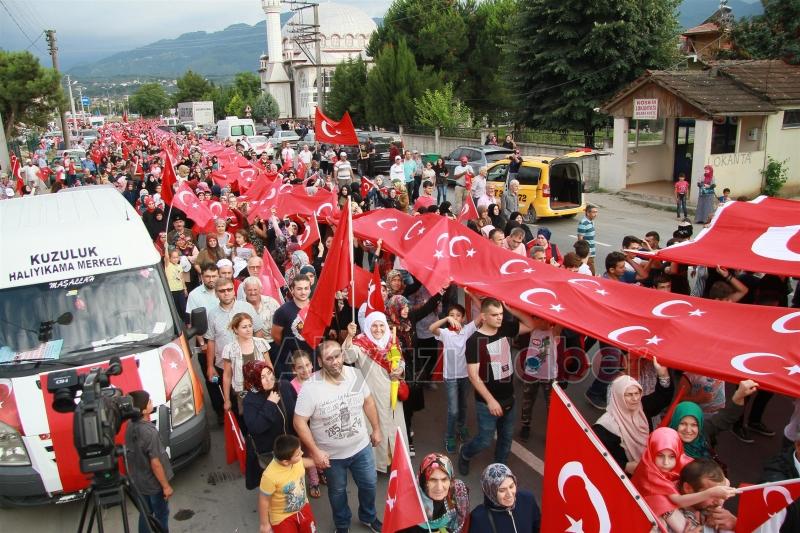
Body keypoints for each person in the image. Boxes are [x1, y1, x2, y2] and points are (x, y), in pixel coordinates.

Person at [293, 340, 383, 533]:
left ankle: (368, 516)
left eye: (338, 355)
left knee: (369, 484)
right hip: (331, 456)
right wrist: (315, 452)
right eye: (329, 358)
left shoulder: (355, 374)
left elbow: (368, 402)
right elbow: (299, 422)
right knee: (337, 492)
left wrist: (376, 429)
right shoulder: (310, 387)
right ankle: (342, 525)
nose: (335, 361)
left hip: (361, 447)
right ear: (320, 361)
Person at [458, 297, 535, 475]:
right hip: (487, 403)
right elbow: (473, 376)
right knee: (485, 439)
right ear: (483, 317)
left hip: (509, 397)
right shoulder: (474, 341)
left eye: (501, 314)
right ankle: (465, 453)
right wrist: (491, 401)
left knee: (506, 438)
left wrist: (511, 308)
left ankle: (499, 470)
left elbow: (530, 325)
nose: (500, 318)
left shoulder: (505, 329)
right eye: (495, 315)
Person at [342, 312, 407, 474]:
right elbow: (348, 357)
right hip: (372, 396)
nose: (378, 329)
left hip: (392, 393)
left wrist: (399, 370)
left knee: (394, 426)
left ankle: (397, 459)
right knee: (374, 427)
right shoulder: (361, 343)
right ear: (368, 326)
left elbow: (401, 361)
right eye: (374, 325)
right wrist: (350, 336)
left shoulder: (393, 341)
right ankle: (377, 462)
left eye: (381, 325)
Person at [205, 278, 267, 424]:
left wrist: (257, 358)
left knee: (257, 402)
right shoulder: (212, 314)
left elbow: (258, 331)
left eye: (229, 290)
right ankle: (243, 436)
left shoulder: (246, 307)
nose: (226, 293)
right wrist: (210, 366)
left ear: (234, 290)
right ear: (216, 294)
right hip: (225, 366)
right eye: (222, 291)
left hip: (251, 365)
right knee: (236, 406)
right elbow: (211, 340)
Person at [592, 371, 674, 474]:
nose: (635, 399)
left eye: (637, 393)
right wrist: (625, 466)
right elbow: (596, 456)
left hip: (646, 471)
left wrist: (663, 374)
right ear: (618, 396)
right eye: (629, 395)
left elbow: (663, 397)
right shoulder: (604, 427)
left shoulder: (642, 407)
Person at [666, 380, 758, 461]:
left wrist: (739, 395)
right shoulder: (665, 444)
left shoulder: (702, 431)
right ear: (675, 423)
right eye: (683, 424)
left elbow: (726, 418)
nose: (688, 430)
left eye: (694, 425)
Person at [429, 304, 478, 453]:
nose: (455, 317)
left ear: (463, 318)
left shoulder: (468, 330)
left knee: (463, 405)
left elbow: (482, 314)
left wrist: (474, 297)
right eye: (452, 315)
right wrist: (445, 318)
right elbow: (432, 328)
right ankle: (449, 436)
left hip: (465, 376)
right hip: (450, 377)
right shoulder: (445, 333)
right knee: (454, 410)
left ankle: (461, 427)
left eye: (458, 315)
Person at [243, 360, 298, 491]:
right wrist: (270, 404)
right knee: (278, 487)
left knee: (293, 480)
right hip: (271, 452)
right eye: (262, 377)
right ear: (254, 380)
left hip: (292, 447)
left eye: (269, 373)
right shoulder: (250, 401)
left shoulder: (284, 386)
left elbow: (297, 410)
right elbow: (255, 428)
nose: (269, 379)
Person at [125, 390, 174, 533]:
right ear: (144, 409)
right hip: (154, 485)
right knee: (161, 515)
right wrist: (165, 486)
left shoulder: (130, 426)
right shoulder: (149, 432)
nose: (152, 402)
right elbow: (155, 463)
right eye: (150, 401)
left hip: (139, 482)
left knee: (145, 514)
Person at [632, 428, 697, 532]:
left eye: (672, 457)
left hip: (680, 515)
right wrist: (710, 493)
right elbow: (676, 500)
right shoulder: (648, 471)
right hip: (645, 511)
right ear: (651, 452)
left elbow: (716, 478)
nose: (666, 462)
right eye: (660, 455)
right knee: (659, 500)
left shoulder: (683, 462)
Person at [258, 434, 317, 533]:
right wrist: (264, 524)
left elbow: (304, 462)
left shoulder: (296, 461)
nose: (302, 453)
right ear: (286, 462)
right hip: (282, 518)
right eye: (298, 454)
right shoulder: (269, 476)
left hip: (303, 508)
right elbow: (264, 500)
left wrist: (321, 459)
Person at [398, 454, 470, 533]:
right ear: (423, 481)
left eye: (444, 479)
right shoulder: (407, 508)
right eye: (433, 480)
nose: (439, 488)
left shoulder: (458, 490)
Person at [518, 314, 563, 441]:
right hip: (531, 373)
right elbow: (521, 315)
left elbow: (563, 319)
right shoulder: (533, 329)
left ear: (550, 321)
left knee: (551, 405)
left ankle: (551, 430)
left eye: (544, 319)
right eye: (537, 318)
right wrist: (509, 308)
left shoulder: (554, 332)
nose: (540, 321)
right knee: (527, 401)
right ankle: (525, 425)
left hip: (548, 375)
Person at [222, 313, 272, 418]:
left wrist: (271, 385)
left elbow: (269, 366)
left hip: (263, 389)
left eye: (250, 326)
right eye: (244, 327)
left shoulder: (261, 343)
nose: (248, 329)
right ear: (235, 330)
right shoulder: (229, 349)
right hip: (243, 392)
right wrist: (227, 400)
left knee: (266, 414)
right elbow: (227, 376)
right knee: (248, 418)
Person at [469, 463, 540, 533]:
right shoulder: (479, 518)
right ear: (490, 492)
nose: (509, 494)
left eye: (511, 486)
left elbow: (538, 527)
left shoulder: (527, 500)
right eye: (502, 490)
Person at [678, 459, 739, 531]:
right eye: (713, 494)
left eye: (721, 493)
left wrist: (736, 525)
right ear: (688, 488)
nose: (719, 502)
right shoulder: (666, 514)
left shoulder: (708, 510)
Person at [271, 275, 313, 378]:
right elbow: (276, 336)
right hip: (291, 358)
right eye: (299, 289)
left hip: (312, 356)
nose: (303, 292)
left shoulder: (315, 307)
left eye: (306, 288)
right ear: (293, 290)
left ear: (310, 289)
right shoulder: (283, 311)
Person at [576, 204, 598, 274]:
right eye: (594, 212)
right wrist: (585, 253)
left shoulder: (591, 222)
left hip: (591, 252)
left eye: (596, 212)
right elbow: (580, 239)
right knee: (592, 273)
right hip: (587, 254)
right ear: (588, 213)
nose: (596, 214)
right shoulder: (583, 223)